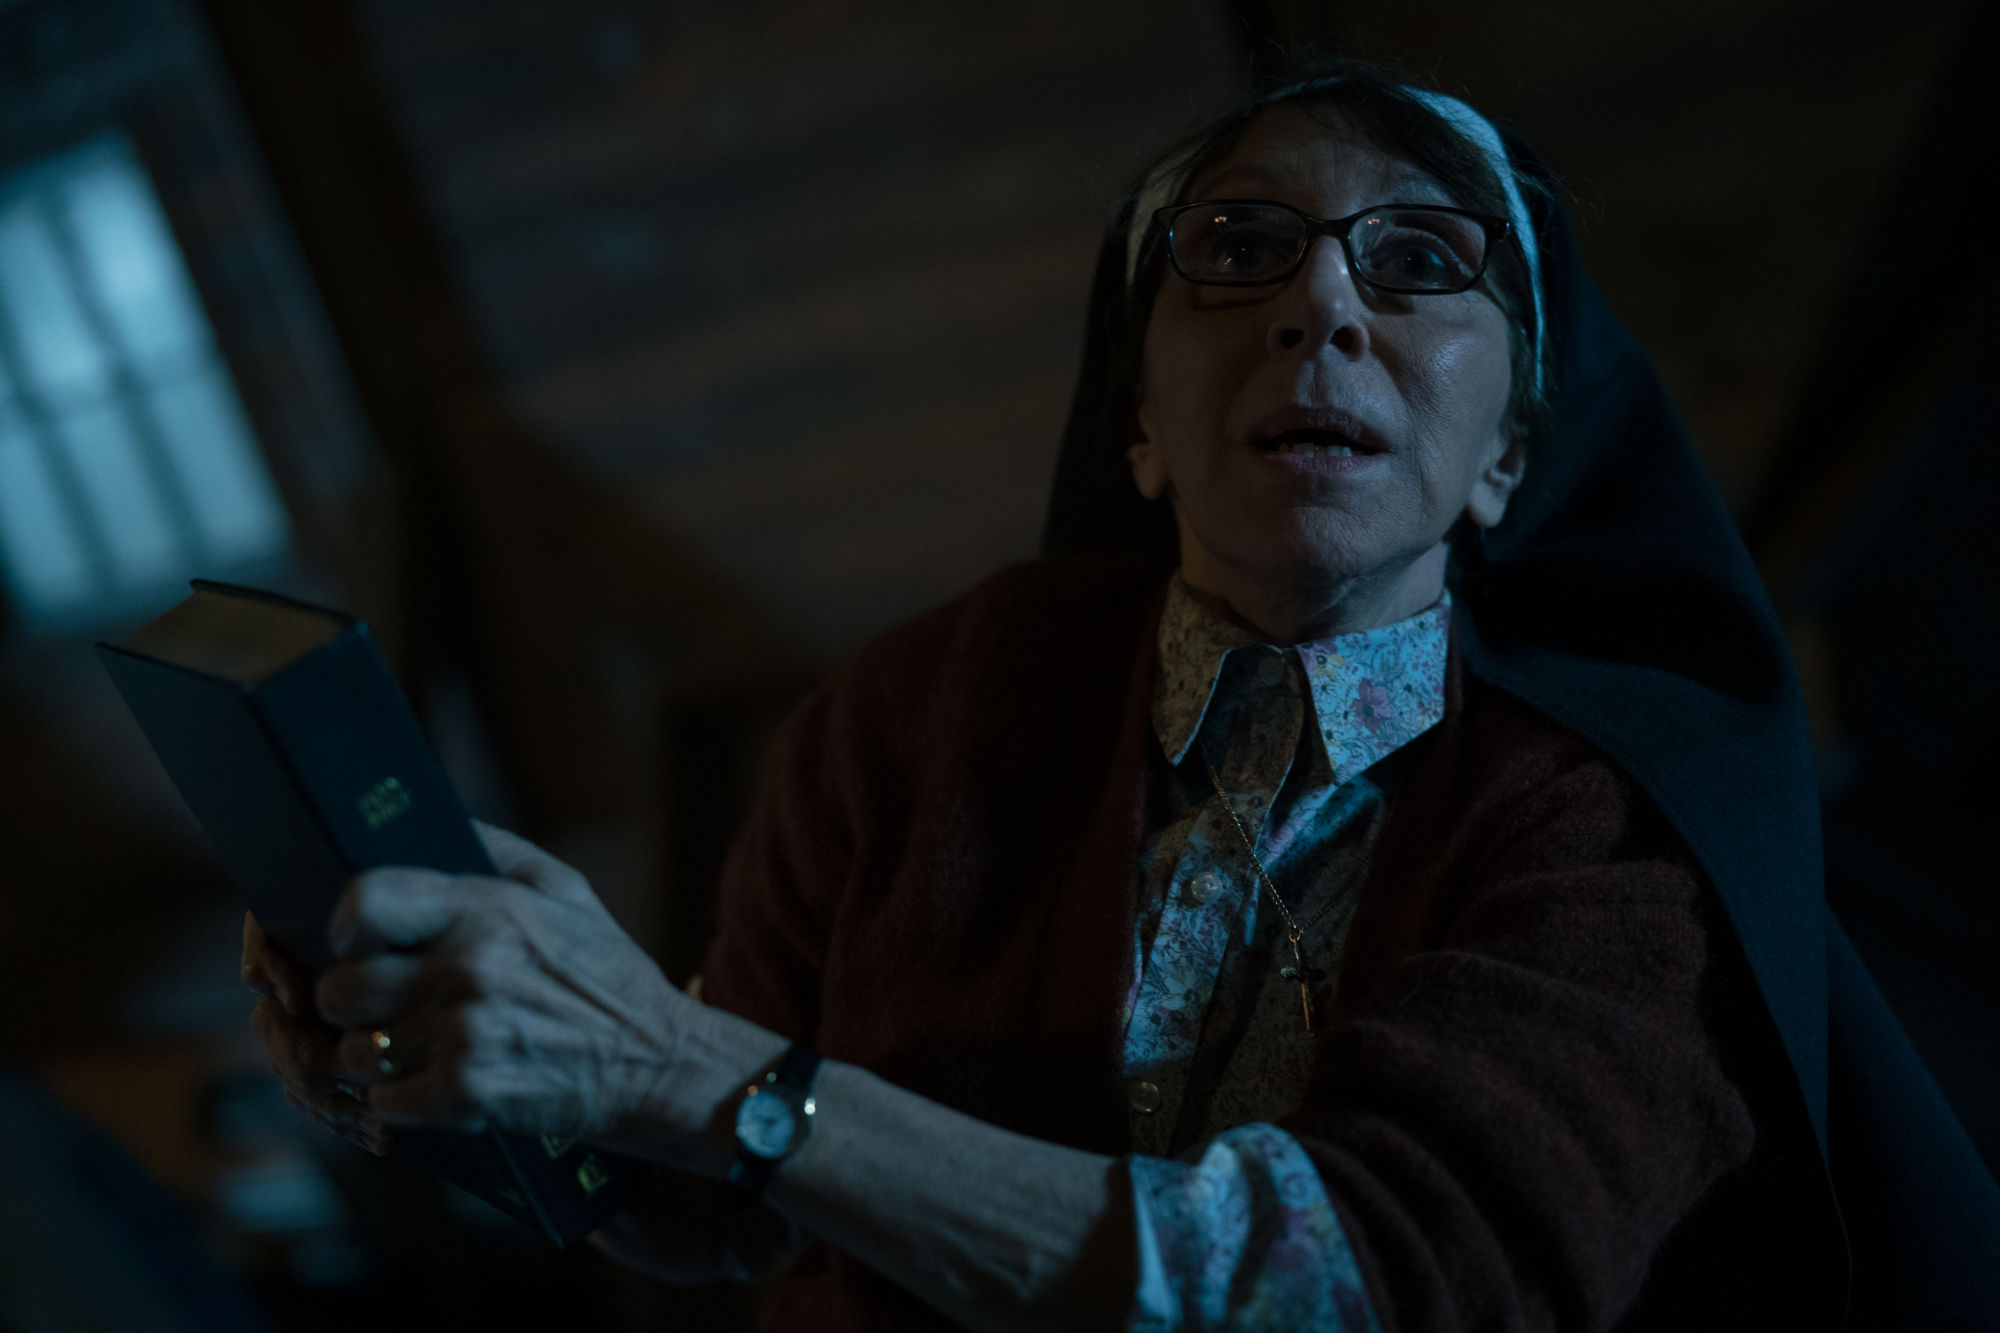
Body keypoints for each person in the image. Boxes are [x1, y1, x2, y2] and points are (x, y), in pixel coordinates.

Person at [243, 59, 2000, 1331]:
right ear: (1140, 425)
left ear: (1505, 461)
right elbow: (709, 1202)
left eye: (1419, 261)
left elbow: (1369, 1284)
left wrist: (683, 1063)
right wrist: (449, 1042)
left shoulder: (1614, 824)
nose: (1321, 305)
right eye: (1239, 247)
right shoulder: (922, 706)